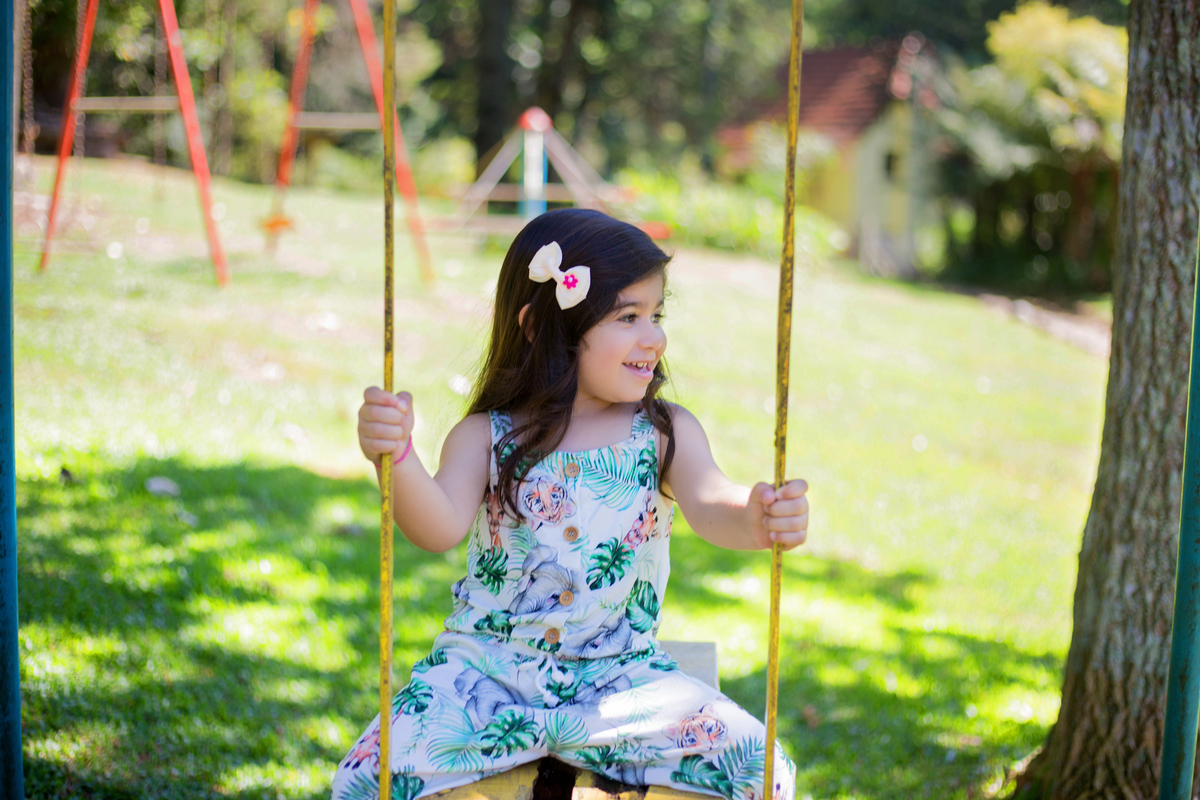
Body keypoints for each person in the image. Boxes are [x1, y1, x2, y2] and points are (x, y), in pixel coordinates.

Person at [333, 208, 809, 800]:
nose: (654, 337)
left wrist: (758, 514)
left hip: (621, 682)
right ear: (542, 327)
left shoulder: (663, 432)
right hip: (485, 677)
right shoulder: (486, 435)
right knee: (364, 780)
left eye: (656, 315)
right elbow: (436, 527)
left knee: (761, 772)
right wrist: (395, 458)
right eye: (628, 316)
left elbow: (713, 502)